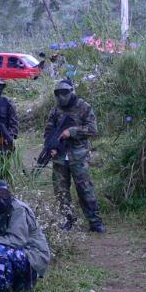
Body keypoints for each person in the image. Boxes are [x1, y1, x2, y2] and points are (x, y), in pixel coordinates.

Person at [43, 79, 105, 233]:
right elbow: (49, 131)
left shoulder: (83, 107)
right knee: (60, 191)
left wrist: (72, 131)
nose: (61, 97)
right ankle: (67, 220)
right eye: (58, 94)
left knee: (85, 189)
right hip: (59, 157)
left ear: (71, 92)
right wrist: (51, 147)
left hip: (78, 156)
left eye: (64, 93)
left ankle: (95, 222)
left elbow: (93, 129)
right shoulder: (55, 110)